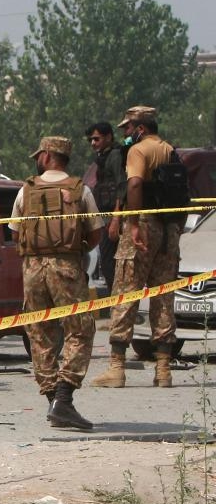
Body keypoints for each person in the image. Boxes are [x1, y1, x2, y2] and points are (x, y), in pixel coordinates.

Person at [11, 136, 103, 430]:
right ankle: (63, 398)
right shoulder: (81, 190)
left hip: (33, 269)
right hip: (67, 266)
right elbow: (96, 233)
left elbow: (15, 233)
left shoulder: (26, 191)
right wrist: (73, 250)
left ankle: (55, 400)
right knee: (81, 328)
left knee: (39, 332)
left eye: (40, 155)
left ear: (48, 155)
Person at [92, 106, 183, 389]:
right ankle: (164, 370)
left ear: (140, 128)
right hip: (168, 228)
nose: (125, 135)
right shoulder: (169, 150)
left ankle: (117, 368)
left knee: (125, 292)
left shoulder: (138, 151)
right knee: (163, 295)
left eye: (128, 129)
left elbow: (133, 185)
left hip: (143, 225)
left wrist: (130, 223)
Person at [85, 121, 125, 291]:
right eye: (91, 140)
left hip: (114, 218)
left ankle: (119, 304)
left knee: (110, 264)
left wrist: (116, 218)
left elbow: (122, 186)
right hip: (106, 217)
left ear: (108, 137)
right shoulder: (103, 157)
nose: (93, 143)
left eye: (96, 139)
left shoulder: (115, 156)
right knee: (108, 264)